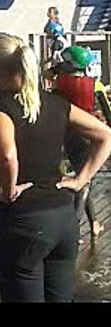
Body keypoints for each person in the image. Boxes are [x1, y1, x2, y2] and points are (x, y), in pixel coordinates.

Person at [0, 33, 111, 302]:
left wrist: (8, 188)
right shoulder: (55, 103)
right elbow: (105, 135)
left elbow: (7, 155)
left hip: (22, 221)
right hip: (63, 219)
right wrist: (80, 180)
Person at [52, 45, 106, 243]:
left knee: (85, 177)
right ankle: (74, 228)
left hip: (67, 133)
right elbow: (106, 110)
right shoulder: (93, 84)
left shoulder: (60, 84)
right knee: (84, 180)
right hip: (88, 135)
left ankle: (94, 223)